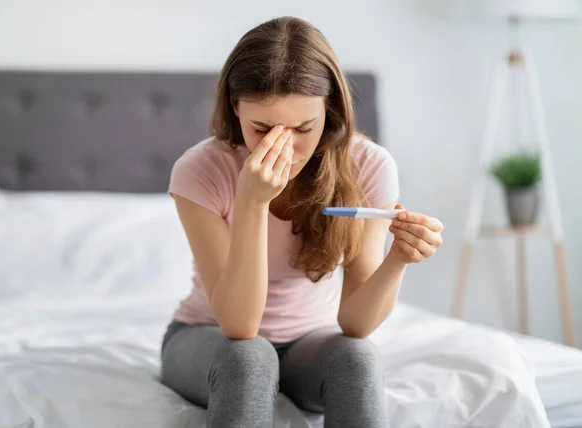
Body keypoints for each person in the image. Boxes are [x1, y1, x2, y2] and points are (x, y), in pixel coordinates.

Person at [160, 16, 443, 428]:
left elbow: (355, 324)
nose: (285, 148)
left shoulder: (369, 166)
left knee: (357, 357)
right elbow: (240, 326)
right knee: (250, 358)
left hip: (309, 344)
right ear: (235, 108)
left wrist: (398, 258)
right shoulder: (202, 170)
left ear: (327, 112)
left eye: (303, 128)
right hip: (210, 339)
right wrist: (252, 203)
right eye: (262, 129)